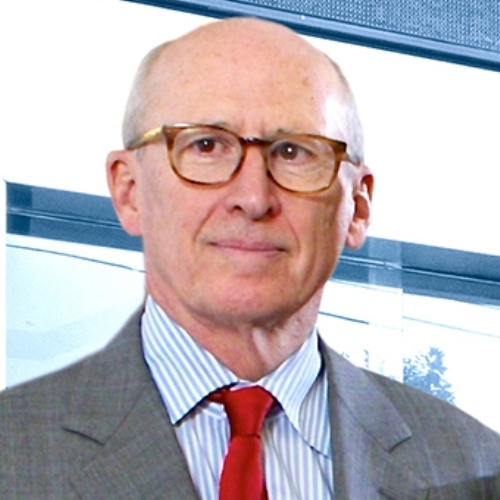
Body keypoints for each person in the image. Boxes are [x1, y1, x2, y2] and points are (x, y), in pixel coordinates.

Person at [1, 17, 499, 500]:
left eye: (294, 152)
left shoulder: (478, 467)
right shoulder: (13, 452)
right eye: (206, 145)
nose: (254, 198)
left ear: (357, 207)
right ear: (129, 191)